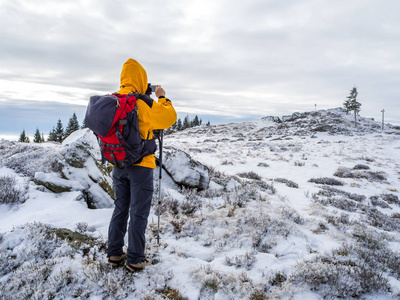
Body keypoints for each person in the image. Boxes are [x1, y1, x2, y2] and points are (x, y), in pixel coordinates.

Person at [106, 58, 177, 272]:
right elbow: (169, 118)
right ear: (141, 79)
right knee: (138, 212)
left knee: (120, 208)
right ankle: (135, 258)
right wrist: (162, 97)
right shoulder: (143, 103)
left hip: (118, 163)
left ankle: (115, 253)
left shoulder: (114, 101)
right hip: (141, 166)